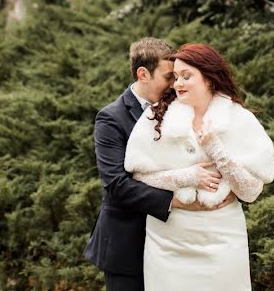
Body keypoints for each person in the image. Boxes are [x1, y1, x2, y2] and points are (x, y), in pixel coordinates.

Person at [84, 38, 234, 291]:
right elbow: (117, 185)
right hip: (128, 244)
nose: (175, 85)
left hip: (175, 245)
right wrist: (175, 201)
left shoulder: (182, 108)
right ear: (143, 74)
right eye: (168, 77)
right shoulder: (111, 118)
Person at [124, 43, 274, 290]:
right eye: (175, 77)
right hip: (167, 243)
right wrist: (188, 176)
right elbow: (140, 175)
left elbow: (250, 192)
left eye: (186, 76)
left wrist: (217, 150)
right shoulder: (155, 117)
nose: (177, 84)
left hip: (222, 239)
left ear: (209, 79)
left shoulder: (239, 119)